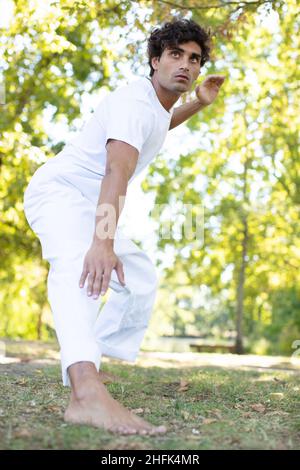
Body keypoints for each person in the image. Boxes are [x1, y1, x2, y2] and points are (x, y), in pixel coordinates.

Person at [23, 18, 225, 435]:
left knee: (138, 276)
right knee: (80, 268)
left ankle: (94, 359)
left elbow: (158, 125)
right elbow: (116, 170)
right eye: (175, 55)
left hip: (87, 200)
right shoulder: (134, 103)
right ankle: (85, 391)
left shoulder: (153, 106)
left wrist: (199, 103)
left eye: (195, 59)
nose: (186, 65)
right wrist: (102, 242)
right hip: (60, 193)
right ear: (155, 60)